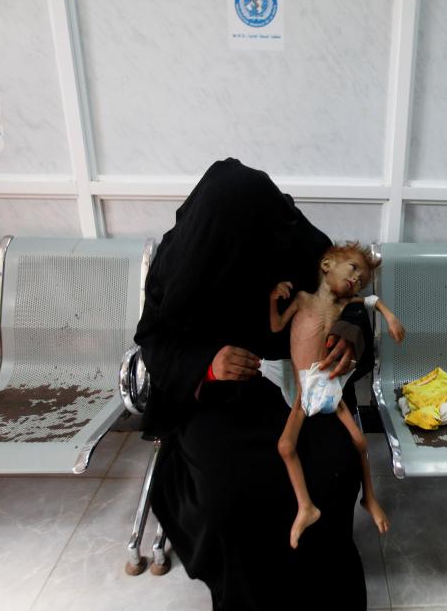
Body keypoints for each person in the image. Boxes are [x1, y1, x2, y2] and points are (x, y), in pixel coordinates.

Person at [134, 158, 374, 611]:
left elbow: (348, 299)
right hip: (218, 402)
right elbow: (154, 341)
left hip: (293, 388)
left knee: (334, 462)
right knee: (234, 485)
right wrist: (208, 364)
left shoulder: (293, 241)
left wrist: (350, 334)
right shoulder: (181, 257)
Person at [269, 241, 404, 548]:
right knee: (286, 446)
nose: (357, 279)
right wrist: (271, 299)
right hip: (304, 395)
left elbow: (372, 301)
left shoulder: (348, 306)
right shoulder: (302, 299)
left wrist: (391, 317)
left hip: (332, 389)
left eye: (362, 278)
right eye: (353, 268)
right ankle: (306, 507)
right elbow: (276, 326)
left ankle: (368, 497)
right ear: (327, 264)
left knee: (359, 441)